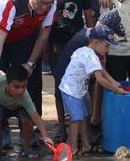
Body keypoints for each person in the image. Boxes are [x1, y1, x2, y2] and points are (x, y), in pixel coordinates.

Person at [0, 0, 57, 118]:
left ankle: (29, 121)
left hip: (22, 32)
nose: (44, 7)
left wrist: (30, 63)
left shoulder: (52, 4)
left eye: (48, 3)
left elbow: (43, 36)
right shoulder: (9, 0)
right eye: (40, 2)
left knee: (27, 73)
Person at [53, 9, 125, 137]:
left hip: (83, 76)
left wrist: (113, 81)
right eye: (112, 32)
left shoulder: (99, 41)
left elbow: (99, 66)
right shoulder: (84, 39)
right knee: (62, 97)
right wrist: (115, 88)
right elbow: (98, 75)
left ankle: (87, 132)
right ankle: (63, 130)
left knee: (83, 108)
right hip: (66, 72)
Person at [50, 0, 94, 137]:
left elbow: (89, 19)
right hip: (56, 44)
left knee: (80, 83)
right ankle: (61, 125)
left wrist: (91, 43)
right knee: (59, 85)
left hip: (76, 44)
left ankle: (85, 123)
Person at [0, 66, 53, 158]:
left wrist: (45, 136)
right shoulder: (1, 80)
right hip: (3, 106)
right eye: (16, 87)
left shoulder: (25, 98)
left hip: (20, 108)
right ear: (7, 83)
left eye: (24, 87)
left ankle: (27, 148)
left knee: (27, 119)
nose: (20, 91)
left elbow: (37, 118)